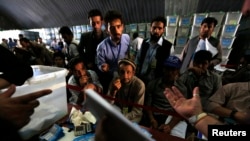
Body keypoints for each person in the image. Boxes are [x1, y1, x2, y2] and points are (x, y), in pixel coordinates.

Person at [143, 56, 182, 133]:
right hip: (153, 115)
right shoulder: (152, 84)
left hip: (170, 117)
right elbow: (147, 105)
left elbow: (180, 112)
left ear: (177, 71)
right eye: (167, 69)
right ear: (163, 69)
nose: (170, 73)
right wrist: (152, 119)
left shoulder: (181, 89)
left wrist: (170, 125)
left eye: (173, 70)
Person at [96, 10, 130, 94]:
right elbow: (100, 64)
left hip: (126, 76)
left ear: (122, 27)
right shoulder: (101, 47)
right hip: (110, 79)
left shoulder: (127, 38)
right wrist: (102, 67)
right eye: (112, 28)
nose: (116, 31)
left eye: (118, 26)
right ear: (107, 30)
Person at [135, 16, 174, 85]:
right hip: (140, 80)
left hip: (156, 83)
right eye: (154, 28)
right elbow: (138, 59)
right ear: (150, 28)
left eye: (159, 28)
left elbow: (169, 68)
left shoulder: (168, 46)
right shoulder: (145, 43)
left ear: (163, 30)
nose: (156, 31)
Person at [107, 58, 145, 123]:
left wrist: (123, 117)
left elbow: (137, 111)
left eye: (128, 72)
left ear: (133, 73)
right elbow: (108, 104)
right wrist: (113, 92)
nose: (125, 76)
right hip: (119, 111)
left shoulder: (139, 85)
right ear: (118, 72)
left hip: (132, 116)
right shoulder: (115, 81)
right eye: (122, 72)